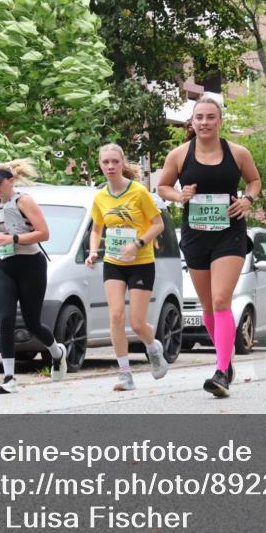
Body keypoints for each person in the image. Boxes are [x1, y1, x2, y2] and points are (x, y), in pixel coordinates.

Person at [158, 96, 261, 397]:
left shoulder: (238, 152)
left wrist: (247, 200)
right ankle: (225, 361)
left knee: (220, 300)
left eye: (210, 117)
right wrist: (180, 196)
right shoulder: (179, 155)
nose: (204, 122)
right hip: (196, 235)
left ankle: (220, 372)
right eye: (199, 117)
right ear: (192, 122)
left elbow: (254, 182)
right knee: (208, 308)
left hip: (229, 234)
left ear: (220, 121)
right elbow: (163, 187)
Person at [86, 143, 170, 391]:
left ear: (122, 163)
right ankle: (125, 374)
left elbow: (159, 225)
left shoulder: (139, 192)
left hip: (141, 263)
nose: (110, 166)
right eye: (105, 162)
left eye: (114, 162)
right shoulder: (100, 197)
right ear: (100, 165)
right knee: (115, 315)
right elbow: (96, 229)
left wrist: (138, 243)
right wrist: (93, 251)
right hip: (113, 262)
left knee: (136, 322)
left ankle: (153, 348)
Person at [0, 160, 67, 394]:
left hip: (31, 264)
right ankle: (9, 377)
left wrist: (14, 239)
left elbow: (44, 233)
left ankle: (57, 353)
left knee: (32, 322)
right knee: (6, 318)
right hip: (4, 265)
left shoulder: (24, 200)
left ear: (10, 181)